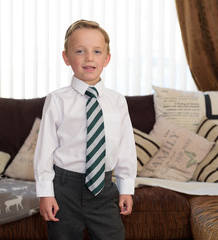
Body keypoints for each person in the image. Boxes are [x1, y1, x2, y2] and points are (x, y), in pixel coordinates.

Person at [34, 19, 137, 240]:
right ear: (66, 57)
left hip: (104, 189)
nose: (89, 58)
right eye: (80, 51)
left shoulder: (117, 101)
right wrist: (45, 193)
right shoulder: (57, 100)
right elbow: (44, 150)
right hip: (65, 190)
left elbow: (126, 147)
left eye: (97, 51)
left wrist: (126, 186)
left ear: (107, 59)